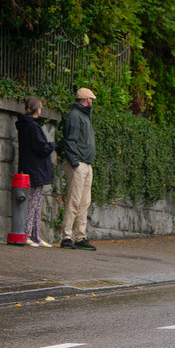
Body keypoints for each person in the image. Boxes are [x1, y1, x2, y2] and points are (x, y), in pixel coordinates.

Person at [56, 87, 98, 251]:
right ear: (87, 100)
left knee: (84, 202)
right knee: (74, 201)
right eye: (91, 99)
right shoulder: (75, 116)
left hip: (86, 163)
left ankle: (80, 236)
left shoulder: (84, 116)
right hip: (78, 164)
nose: (92, 102)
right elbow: (70, 140)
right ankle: (66, 236)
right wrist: (74, 162)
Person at [15, 98, 55, 248]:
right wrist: (51, 145)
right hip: (35, 168)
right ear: (37, 109)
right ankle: (27, 234)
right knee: (33, 203)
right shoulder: (32, 126)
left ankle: (35, 235)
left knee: (36, 203)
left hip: (29, 166)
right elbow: (41, 147)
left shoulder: (25, 124)